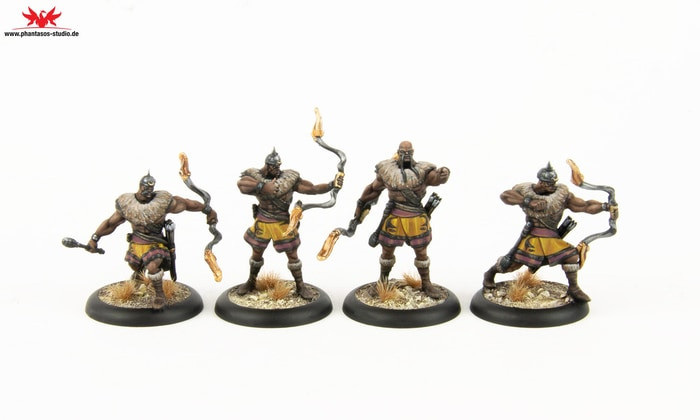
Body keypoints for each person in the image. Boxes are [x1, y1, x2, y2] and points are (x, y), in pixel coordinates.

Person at [482, 163, 616, 302]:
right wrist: (528, 201)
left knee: (571, 256)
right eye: (550, 183)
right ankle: (490, 274)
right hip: (531, 236)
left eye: (554, 182)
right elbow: (505, 196)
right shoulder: (525, 190)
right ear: (541, 182)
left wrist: (605, 207)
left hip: (551, 238)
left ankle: (574, 288)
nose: (553, 185)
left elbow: (585, 206)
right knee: (512, 264)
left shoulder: (562, 196)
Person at [87, 172, 217, 309]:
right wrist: (95, 238)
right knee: (134, 266)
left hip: (156, 242)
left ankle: (159, 295)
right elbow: (110, 223)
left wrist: (208, 210)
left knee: (152, 266)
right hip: (137, 242)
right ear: (140, 186)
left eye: (151, 188)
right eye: (146, 187)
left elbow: (186, 204)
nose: (149, 191)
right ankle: (138, 278)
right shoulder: (127, 204)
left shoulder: (163, 202)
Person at [237, 149, 343, 300]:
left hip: (283, 223)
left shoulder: (289, 179)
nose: (278, 169)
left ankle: (300, 286)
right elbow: (241, 184)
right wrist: (262, 187)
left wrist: (331, 184)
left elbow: (312, 189)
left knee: (293, 255)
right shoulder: (255, 177)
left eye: (279, 166)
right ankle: (251, 282)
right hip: (263, 221)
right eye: (275, 166)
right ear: (268, 165)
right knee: (256, 253)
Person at [354, 141, 450, 299]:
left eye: (409, 152)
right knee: (387, 252)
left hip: (416, 218)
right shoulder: (387, 170)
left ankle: (426, 284)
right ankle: (383, 281)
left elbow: (437, 179)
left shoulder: (423, 171)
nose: (406, 155)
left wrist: (444, 173)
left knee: (421, 253)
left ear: (413, 152)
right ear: (398, 152)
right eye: (402, 152)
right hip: (394, 216)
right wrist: (360, 205)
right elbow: (373, 189)